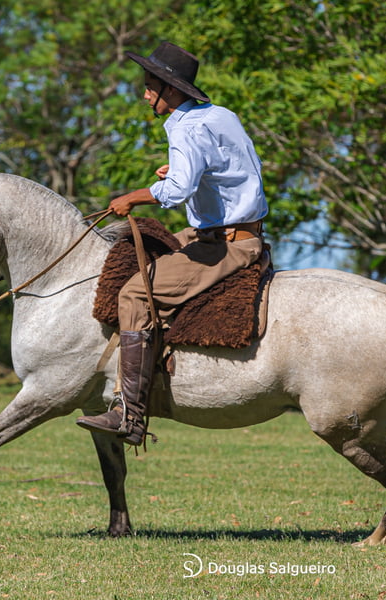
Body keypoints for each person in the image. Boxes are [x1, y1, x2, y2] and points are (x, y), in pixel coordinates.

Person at [76, 42, 268, 444]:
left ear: (171, 89)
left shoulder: (187, 128)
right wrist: (181, 171)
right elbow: (229, 167)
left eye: (150, 86)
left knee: (133, 295)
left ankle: (129, 415)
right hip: (231, 229)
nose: (145, 94)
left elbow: (177, 192)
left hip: (226, 243)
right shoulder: (219, 116)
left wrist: (135, 196)